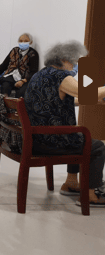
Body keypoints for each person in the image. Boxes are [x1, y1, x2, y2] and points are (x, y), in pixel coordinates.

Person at [24, 41, 105, 207]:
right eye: (73, 61)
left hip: (35, 137)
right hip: (48, 142)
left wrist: (96, 99)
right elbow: (86, 91)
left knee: (76, 136)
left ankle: (71, 183)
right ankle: (90, 195)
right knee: (97, 146)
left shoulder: (41, 75)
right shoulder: (60, 76)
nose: (75, 66)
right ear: (63, 59)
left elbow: (59, 100)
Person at [0, 33, 39, 98]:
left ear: (31, 42)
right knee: (5, 86)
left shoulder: (33, 54)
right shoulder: (14, 50)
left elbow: (34, 72)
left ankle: (16, 104)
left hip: (24, 78)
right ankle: (4, 102)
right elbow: (4, 65)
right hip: (10, 76)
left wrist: (23, 81)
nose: (23, 43)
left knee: (21, 92)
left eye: (25, 41)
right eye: (21, 41)